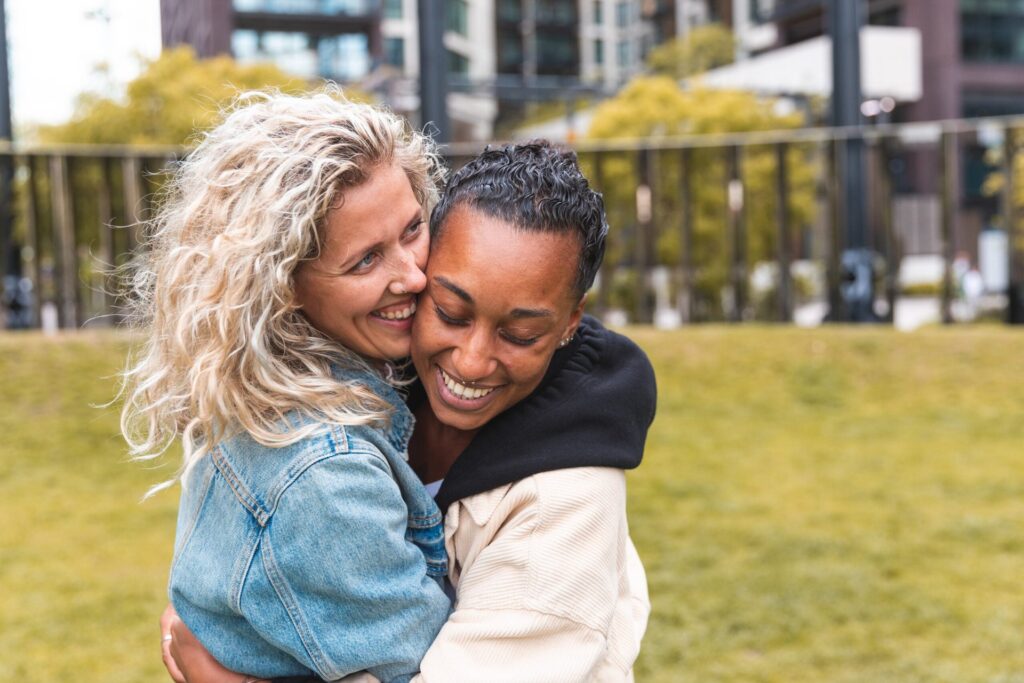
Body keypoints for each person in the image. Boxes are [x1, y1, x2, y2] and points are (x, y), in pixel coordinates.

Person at [163, 142, 656, 682]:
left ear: (569, 322)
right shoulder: (369, 374)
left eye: (519, 334)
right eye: (449, 311)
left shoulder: (561, 507)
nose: (471, 362)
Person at [122, 89, 454, 682]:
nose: (413, 273)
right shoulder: (323, 472)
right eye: (365, 261)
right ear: (282, 287)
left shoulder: (309, 389)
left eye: (411, 230)